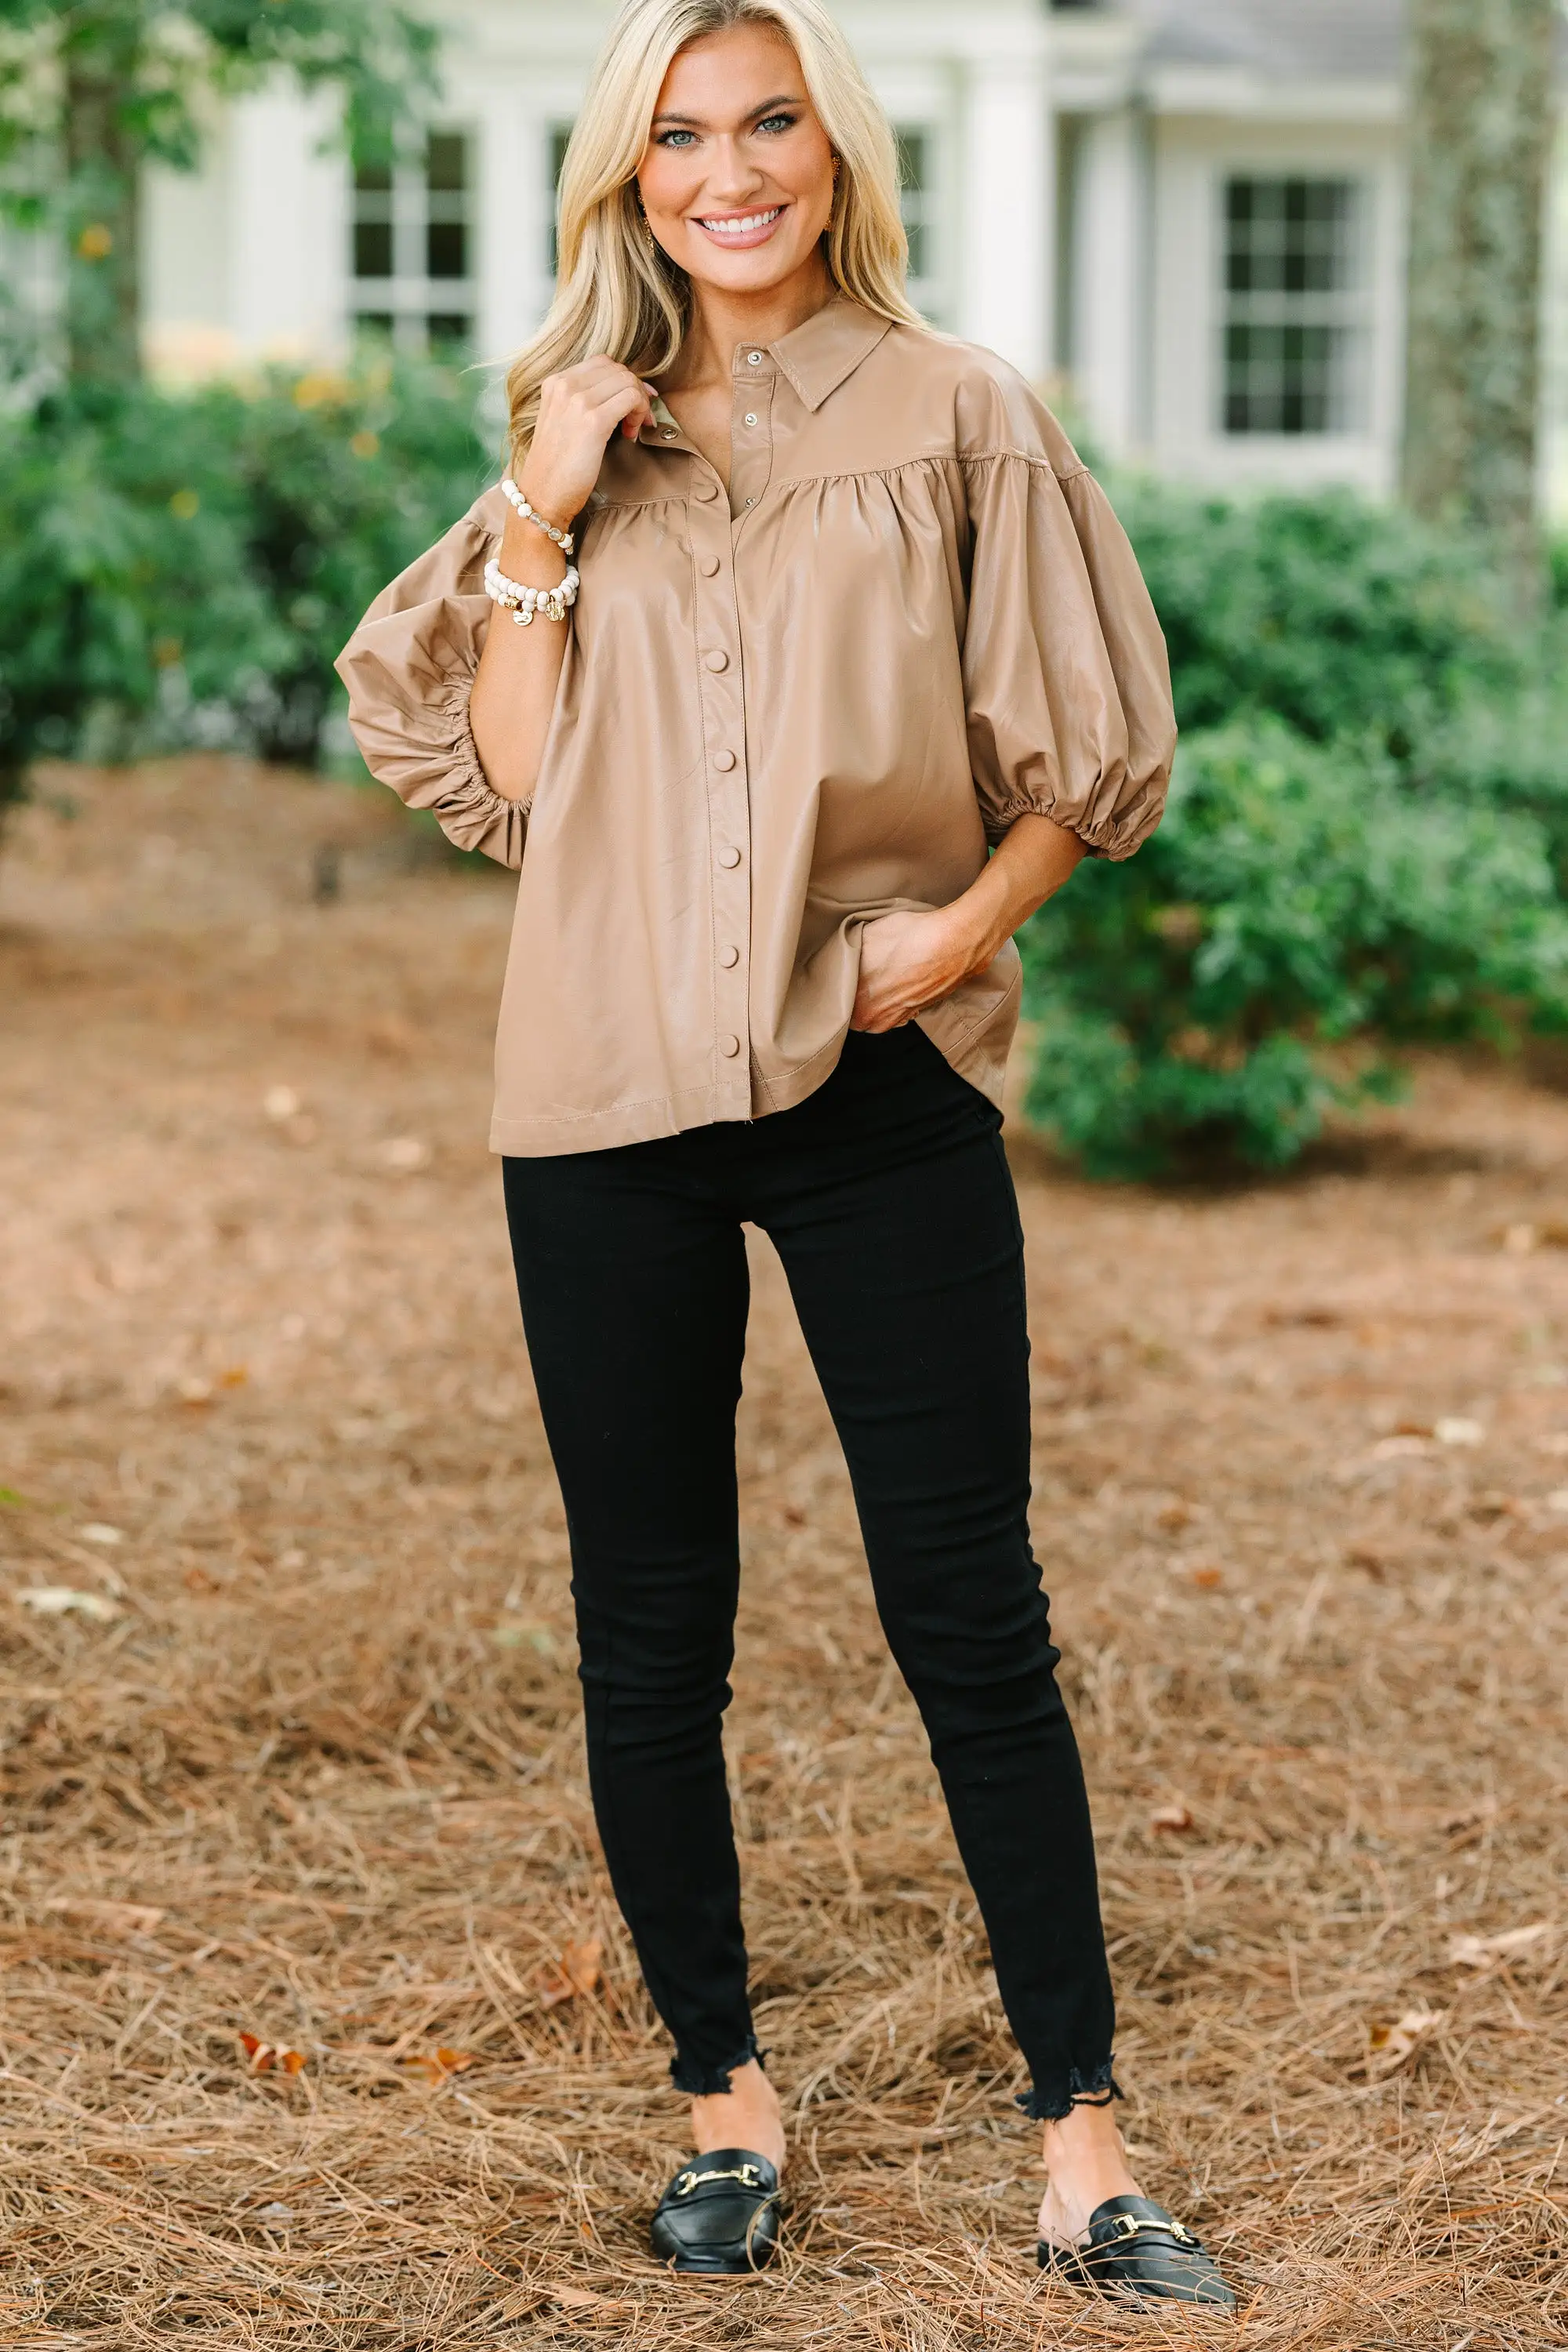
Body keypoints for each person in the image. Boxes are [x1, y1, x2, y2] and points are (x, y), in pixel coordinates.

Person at [337, 0, 1234, 2310]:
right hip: (603, 1094)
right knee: (653, 1631)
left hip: (876, 1088)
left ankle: (1083, 2136)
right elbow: (508, 784)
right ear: (625, 176)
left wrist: (957, 935)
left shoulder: (957, 414)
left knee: (971, 1615)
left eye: (767, 126)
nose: (728, 174)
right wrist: (541, 496)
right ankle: (723, 2099)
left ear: (832, 149)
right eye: (678, 139)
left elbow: (1087, 748)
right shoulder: (583, 440)